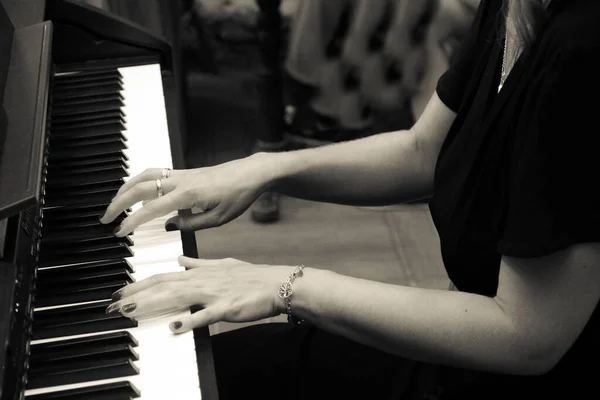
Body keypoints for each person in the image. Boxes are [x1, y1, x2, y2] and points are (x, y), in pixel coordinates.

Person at [100, 0, 600, 398]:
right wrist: (262, 170)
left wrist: (286, 285)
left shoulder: (582, 45)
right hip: (472, 343)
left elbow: (528, 337)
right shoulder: (519, 8)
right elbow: (423, 150)